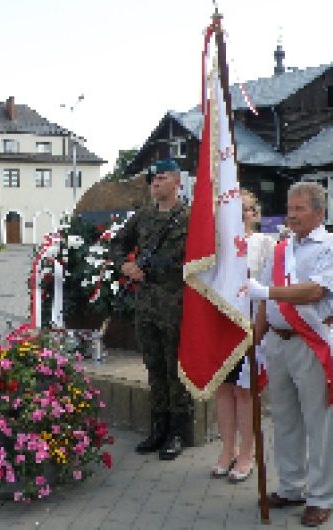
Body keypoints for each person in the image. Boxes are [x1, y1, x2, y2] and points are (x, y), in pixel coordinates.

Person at [246, 182, 333, 527]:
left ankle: (322, 496)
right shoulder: (280, 249)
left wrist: (269, 291)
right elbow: (263, 302)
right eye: (289, 209)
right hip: (277, 341)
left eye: (299, 209)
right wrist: (254, 344)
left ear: (319, 212)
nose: (291, 215)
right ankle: (291, 486)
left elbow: (316, 291)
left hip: (310, 341)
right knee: (286, 418)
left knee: (319, 422)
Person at [111, 159, 192, 461]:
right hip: (147, 303)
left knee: (175, 369)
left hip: (177, 302)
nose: (154, 184)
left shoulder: (190, 217)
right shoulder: (143, 216)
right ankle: (158, 428)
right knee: (154, 367)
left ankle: (177, 432)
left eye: (160, 178)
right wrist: (125, 265)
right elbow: (118, 243)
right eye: (152, 180)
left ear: (176, 182)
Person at [211, 189, 275, 483]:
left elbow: (269, 285)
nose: (242, 215)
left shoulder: (265, 243)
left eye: (247, 209)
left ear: (255, 214)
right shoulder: (217, 245)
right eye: (236, 210)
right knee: (223, 388)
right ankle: (228, 449)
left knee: (245, 391)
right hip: (222, 323)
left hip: (251, 323)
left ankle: (248, 453)